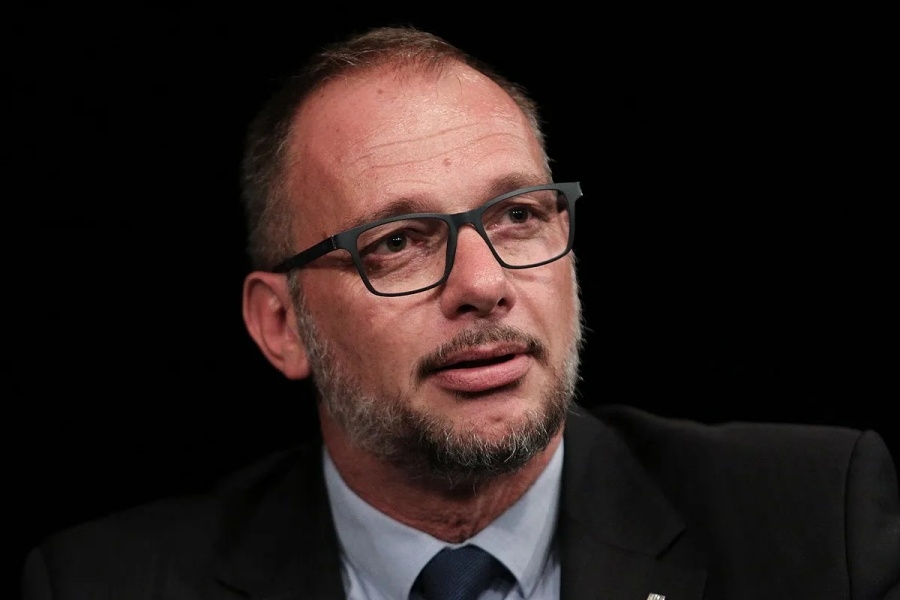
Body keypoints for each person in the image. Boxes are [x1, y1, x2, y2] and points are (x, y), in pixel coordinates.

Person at [21, 25, 899, 600]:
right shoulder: (102, 584)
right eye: (398, 241)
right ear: (282, 326)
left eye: (518, 216)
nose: (483, 284)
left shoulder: (816, 523)